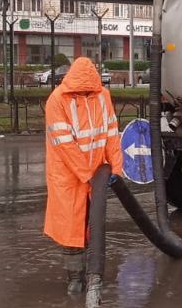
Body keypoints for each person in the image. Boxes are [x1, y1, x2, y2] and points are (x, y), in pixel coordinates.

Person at [43, 58, 123, 294]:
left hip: (94, 175)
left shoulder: (102, 96)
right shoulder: (57, 101)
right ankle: (76, 279)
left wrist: (115, 171)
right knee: (71, 230)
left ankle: (89, 276)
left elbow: (111, 133)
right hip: (68, 177)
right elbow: (64, 144)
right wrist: (90, 175)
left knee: (91, 226)